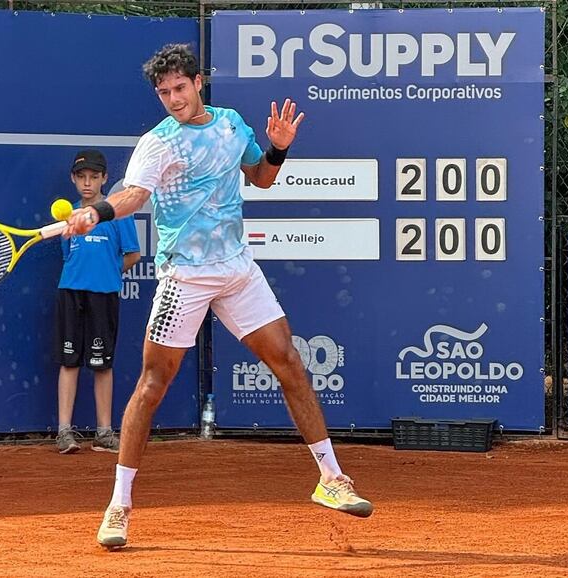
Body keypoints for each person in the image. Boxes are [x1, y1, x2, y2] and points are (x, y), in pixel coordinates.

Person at [62, 44, 372, 548]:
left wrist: (277, 147)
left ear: (198, 81)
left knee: (289, 362)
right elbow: (135, 195)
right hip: (185, 275)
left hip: (237, 269)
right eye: (163, 93)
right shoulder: (157, 143)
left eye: (179, 88)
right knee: (153, 385)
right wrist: (96, 212)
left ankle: (331, 479)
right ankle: (119, 505)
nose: (172, 99)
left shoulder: (230, 124)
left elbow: (263, 179)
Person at [54, 149, 140, 454]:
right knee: (69, 361)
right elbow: (69, 257)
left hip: (104, 295)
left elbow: (133, 255)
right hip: (71, 292)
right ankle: (64, 431)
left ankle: (104, 432)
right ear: (73, 180)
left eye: (94, 177)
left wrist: (107, 273)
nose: (87, 183)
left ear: (104, 178)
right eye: (81, 177)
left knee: (102, 364)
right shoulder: (69, 217)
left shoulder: (118, 214)